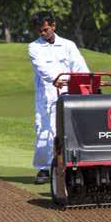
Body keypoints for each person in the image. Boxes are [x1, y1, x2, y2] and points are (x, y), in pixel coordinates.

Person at [28, 12, 89, 184]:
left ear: (53, 26)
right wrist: (55, 79)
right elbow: (41, 68)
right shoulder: (34, 47)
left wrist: (87, 84)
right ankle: (44, 168)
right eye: (39, 31)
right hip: (46, 96)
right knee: (44, 130)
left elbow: (80, 67)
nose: (42, 33)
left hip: (69, 94)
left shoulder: (68, 45)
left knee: (71, 131)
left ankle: (73, 165)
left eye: (45, 29)